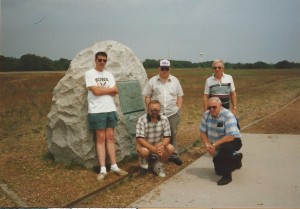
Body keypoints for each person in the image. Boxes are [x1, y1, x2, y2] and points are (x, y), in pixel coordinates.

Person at [85, 51, 128, 181]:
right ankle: (103, 169)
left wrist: (102, 90)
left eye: (104, 60)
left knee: (110, 137)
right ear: (95, 60)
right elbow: (96, 91)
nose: (102, 62)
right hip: (97, 110)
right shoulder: (89, 74)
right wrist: (107, 90)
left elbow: (115, 92)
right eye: (100, 60)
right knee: (100, 138)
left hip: (110, 109)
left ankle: (114, 166)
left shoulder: (109, 75)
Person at [142, 59, 184, 166]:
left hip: (172, 113)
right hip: (156, 113)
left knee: (172, 133)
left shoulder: (175, 81)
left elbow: (180, 96)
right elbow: (147, 96)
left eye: (166, 68)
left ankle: (173, 154)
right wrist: (149, 109)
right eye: (162, 68)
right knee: (155, 134)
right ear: (159, 68)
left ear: (169, 69)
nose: (164, 70)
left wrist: (178, 108)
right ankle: (154, 154)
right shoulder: (152, 81)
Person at [199, 97, 243, 185]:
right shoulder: (206, 115)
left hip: (233, 140)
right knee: (219, 171)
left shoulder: (228, 115)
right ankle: (236, 159)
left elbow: (230, 136)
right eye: (209, 107)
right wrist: (207, 145)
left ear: (220, 105)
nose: (211, 109)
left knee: (226, 149)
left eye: (214, 107)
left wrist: (214, 145)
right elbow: (202, 132)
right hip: (217, 143)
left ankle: (227, 176)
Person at [136, 100, 174, 177]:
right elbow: (140, 139)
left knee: (170, 148)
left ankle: (159, 165)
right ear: (148, 109)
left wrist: (162, 146)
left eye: (157, 110)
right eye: (152, 110)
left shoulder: (164, 119)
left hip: (158, 143)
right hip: (145, 144)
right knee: (144, 151)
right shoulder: (142, 119)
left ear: (160, 110)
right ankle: (143, 158)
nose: (155, 112)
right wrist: (153, 149)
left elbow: (167, 136)